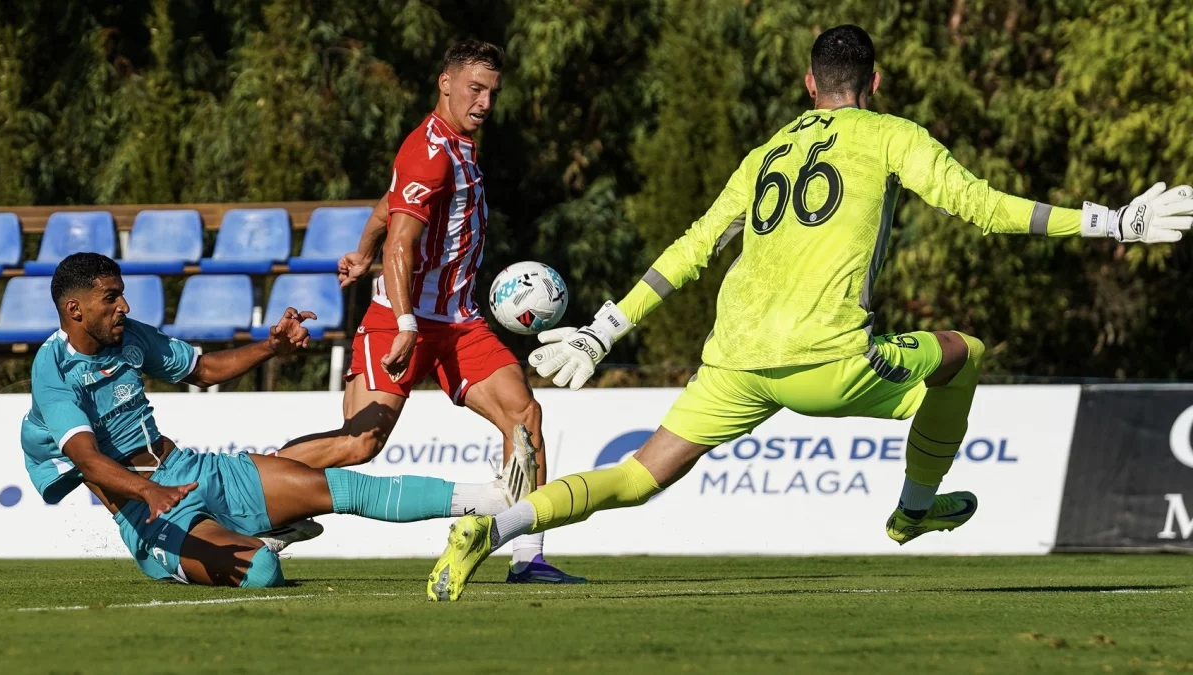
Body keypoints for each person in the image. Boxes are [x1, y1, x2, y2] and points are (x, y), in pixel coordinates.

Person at [424, 24, 1193, 601]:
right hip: (831, 362)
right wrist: (1111, 222)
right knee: (967, 351)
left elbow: (694, 246)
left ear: (807, 84)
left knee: (635, 476)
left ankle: (496, 527)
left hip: (735, 362)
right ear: (876, 82)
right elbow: (984, 208)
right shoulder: (891, 135)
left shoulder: (766, 152)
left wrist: (604, 328)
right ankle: (914, 511)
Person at [22, 253, 529, 587]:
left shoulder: (129, 333)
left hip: (194, 470)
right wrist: (147, 492)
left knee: (346, 487)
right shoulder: (54, 369)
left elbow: (203, 369)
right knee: (261, 570)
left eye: (121, 293)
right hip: (151, 512)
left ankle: (497, 497)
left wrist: (272, 346)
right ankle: (238, 546)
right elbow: (86, 459)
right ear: (75, 309)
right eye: (111, 297)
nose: (123, 305)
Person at [278, 39, 583, 584]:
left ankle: (528, 557)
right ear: (446, 83)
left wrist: (363, 249)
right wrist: (405, 319)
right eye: (475, 88)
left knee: (524, 417)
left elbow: (387, 204)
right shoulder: (430, 150)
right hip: (401, 321)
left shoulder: (459, 145)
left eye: (492, 92)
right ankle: (260, 491)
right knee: (359, 442)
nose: (486, 101)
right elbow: (403, 242)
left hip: (460, 322)